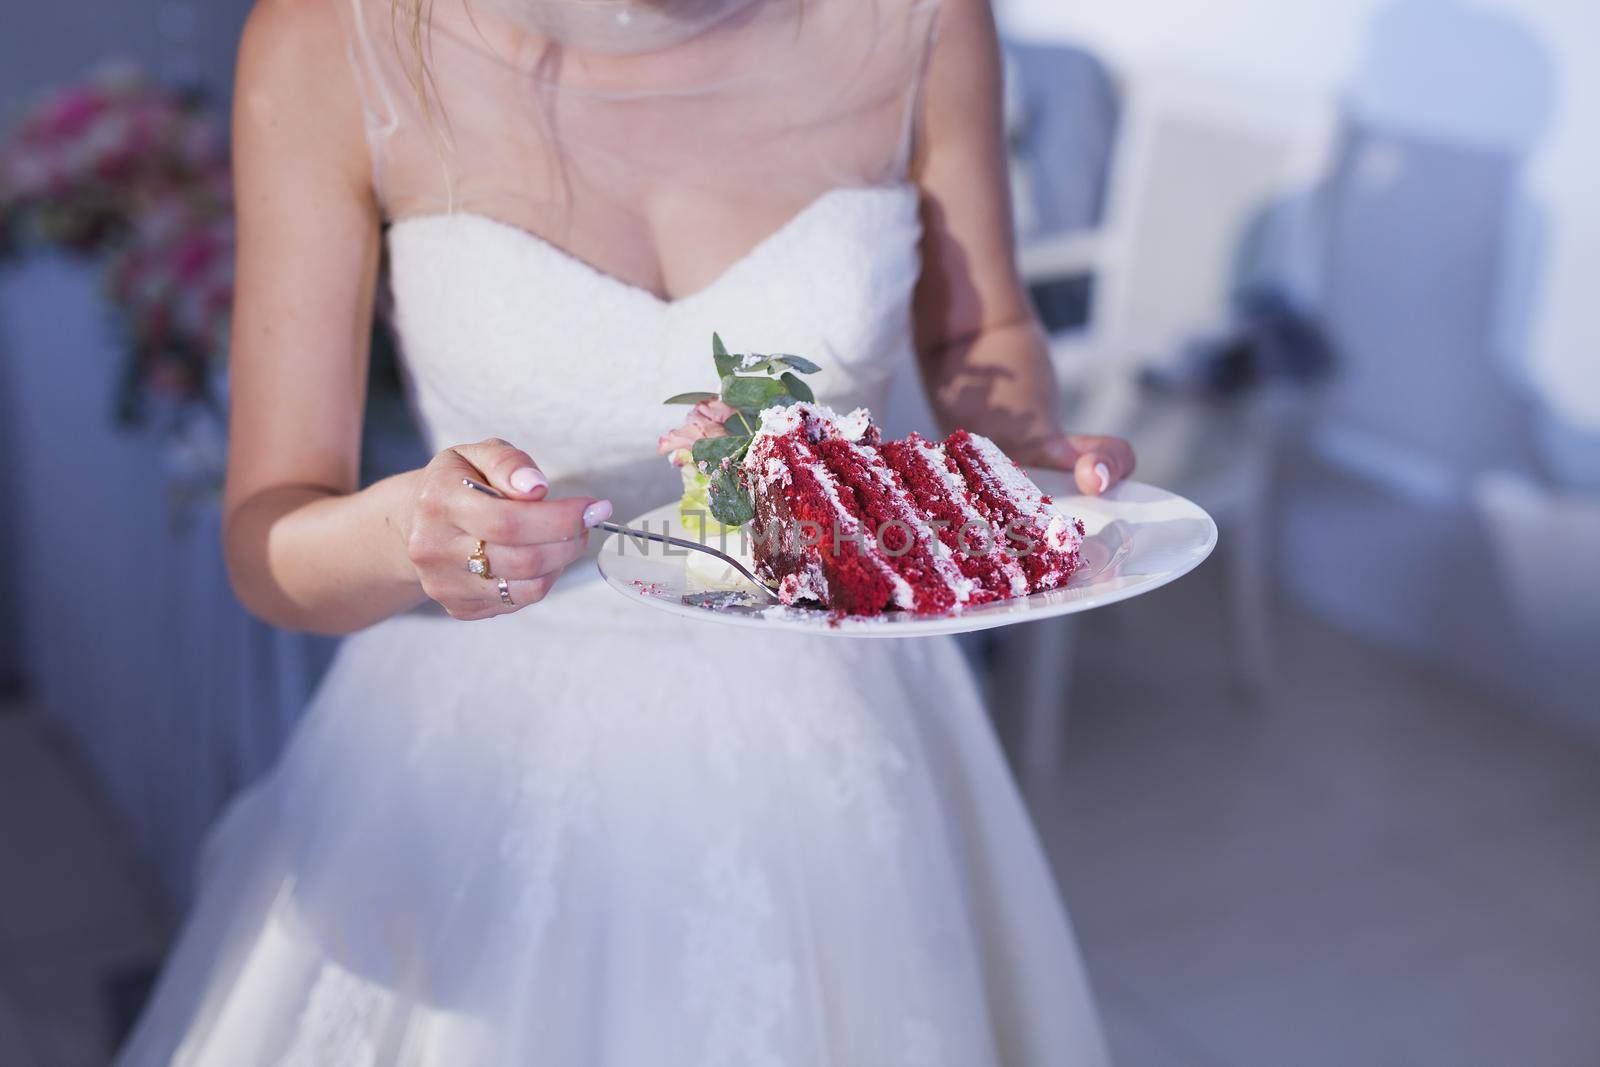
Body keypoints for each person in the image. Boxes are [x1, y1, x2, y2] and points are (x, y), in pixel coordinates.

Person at [119, 0, 1133, 1062]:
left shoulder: (919, 20)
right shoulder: (331, 40)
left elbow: (982, 327)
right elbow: (269, 538)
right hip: (487, 752)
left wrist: (1016, 450)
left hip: (837, 718)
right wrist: (406, 533)